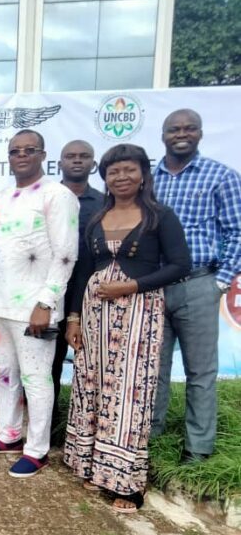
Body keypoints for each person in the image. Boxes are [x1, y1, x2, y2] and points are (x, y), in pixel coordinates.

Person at [64, 143, 190, 513]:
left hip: (138, 310)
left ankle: (128, 483)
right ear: (105, 176)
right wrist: (73, 319)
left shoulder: (159, 217)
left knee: (129, 390)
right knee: (93, 384)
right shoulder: (95, 219)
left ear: (143, 174)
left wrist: (130, 286)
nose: (121, 177)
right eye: (114, 171)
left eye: (128, 170)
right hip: (94, 313)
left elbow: (180, 265)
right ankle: (93, 467)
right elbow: (83, 272)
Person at [0, 130, 79, 477]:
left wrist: (47, 302)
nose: (21, 155)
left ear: (42, 155)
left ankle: (37, 450)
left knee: (35, 379)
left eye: (29, 150)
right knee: (4, 375)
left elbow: (65, 255)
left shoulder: (57, 195)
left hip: (35, 308)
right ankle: (9, 435)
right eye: (15, 150)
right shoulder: (4, 196)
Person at [152, 109, 241, 464]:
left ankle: (198, 448)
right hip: (154, 286)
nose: (181, 134)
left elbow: (237, 232)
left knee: (200, 371)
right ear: (163, 135)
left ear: (200, 134)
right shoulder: (149, 179)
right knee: (152, 368)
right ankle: (149, 436)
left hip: (199, 283)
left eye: (189, 128)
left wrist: (220, 283)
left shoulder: (222, 176)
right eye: (174, 129)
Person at [51, 140, 104, 433]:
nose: (77, 161)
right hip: (51, 292)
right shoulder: (47, 197)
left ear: (93, 164)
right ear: (59, 163)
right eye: (70, 156)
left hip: (90, 293)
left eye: (84, 156)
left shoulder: (104, 203)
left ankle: (83, 430)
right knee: (48, 366)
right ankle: (47, 428)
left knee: (89, 365)